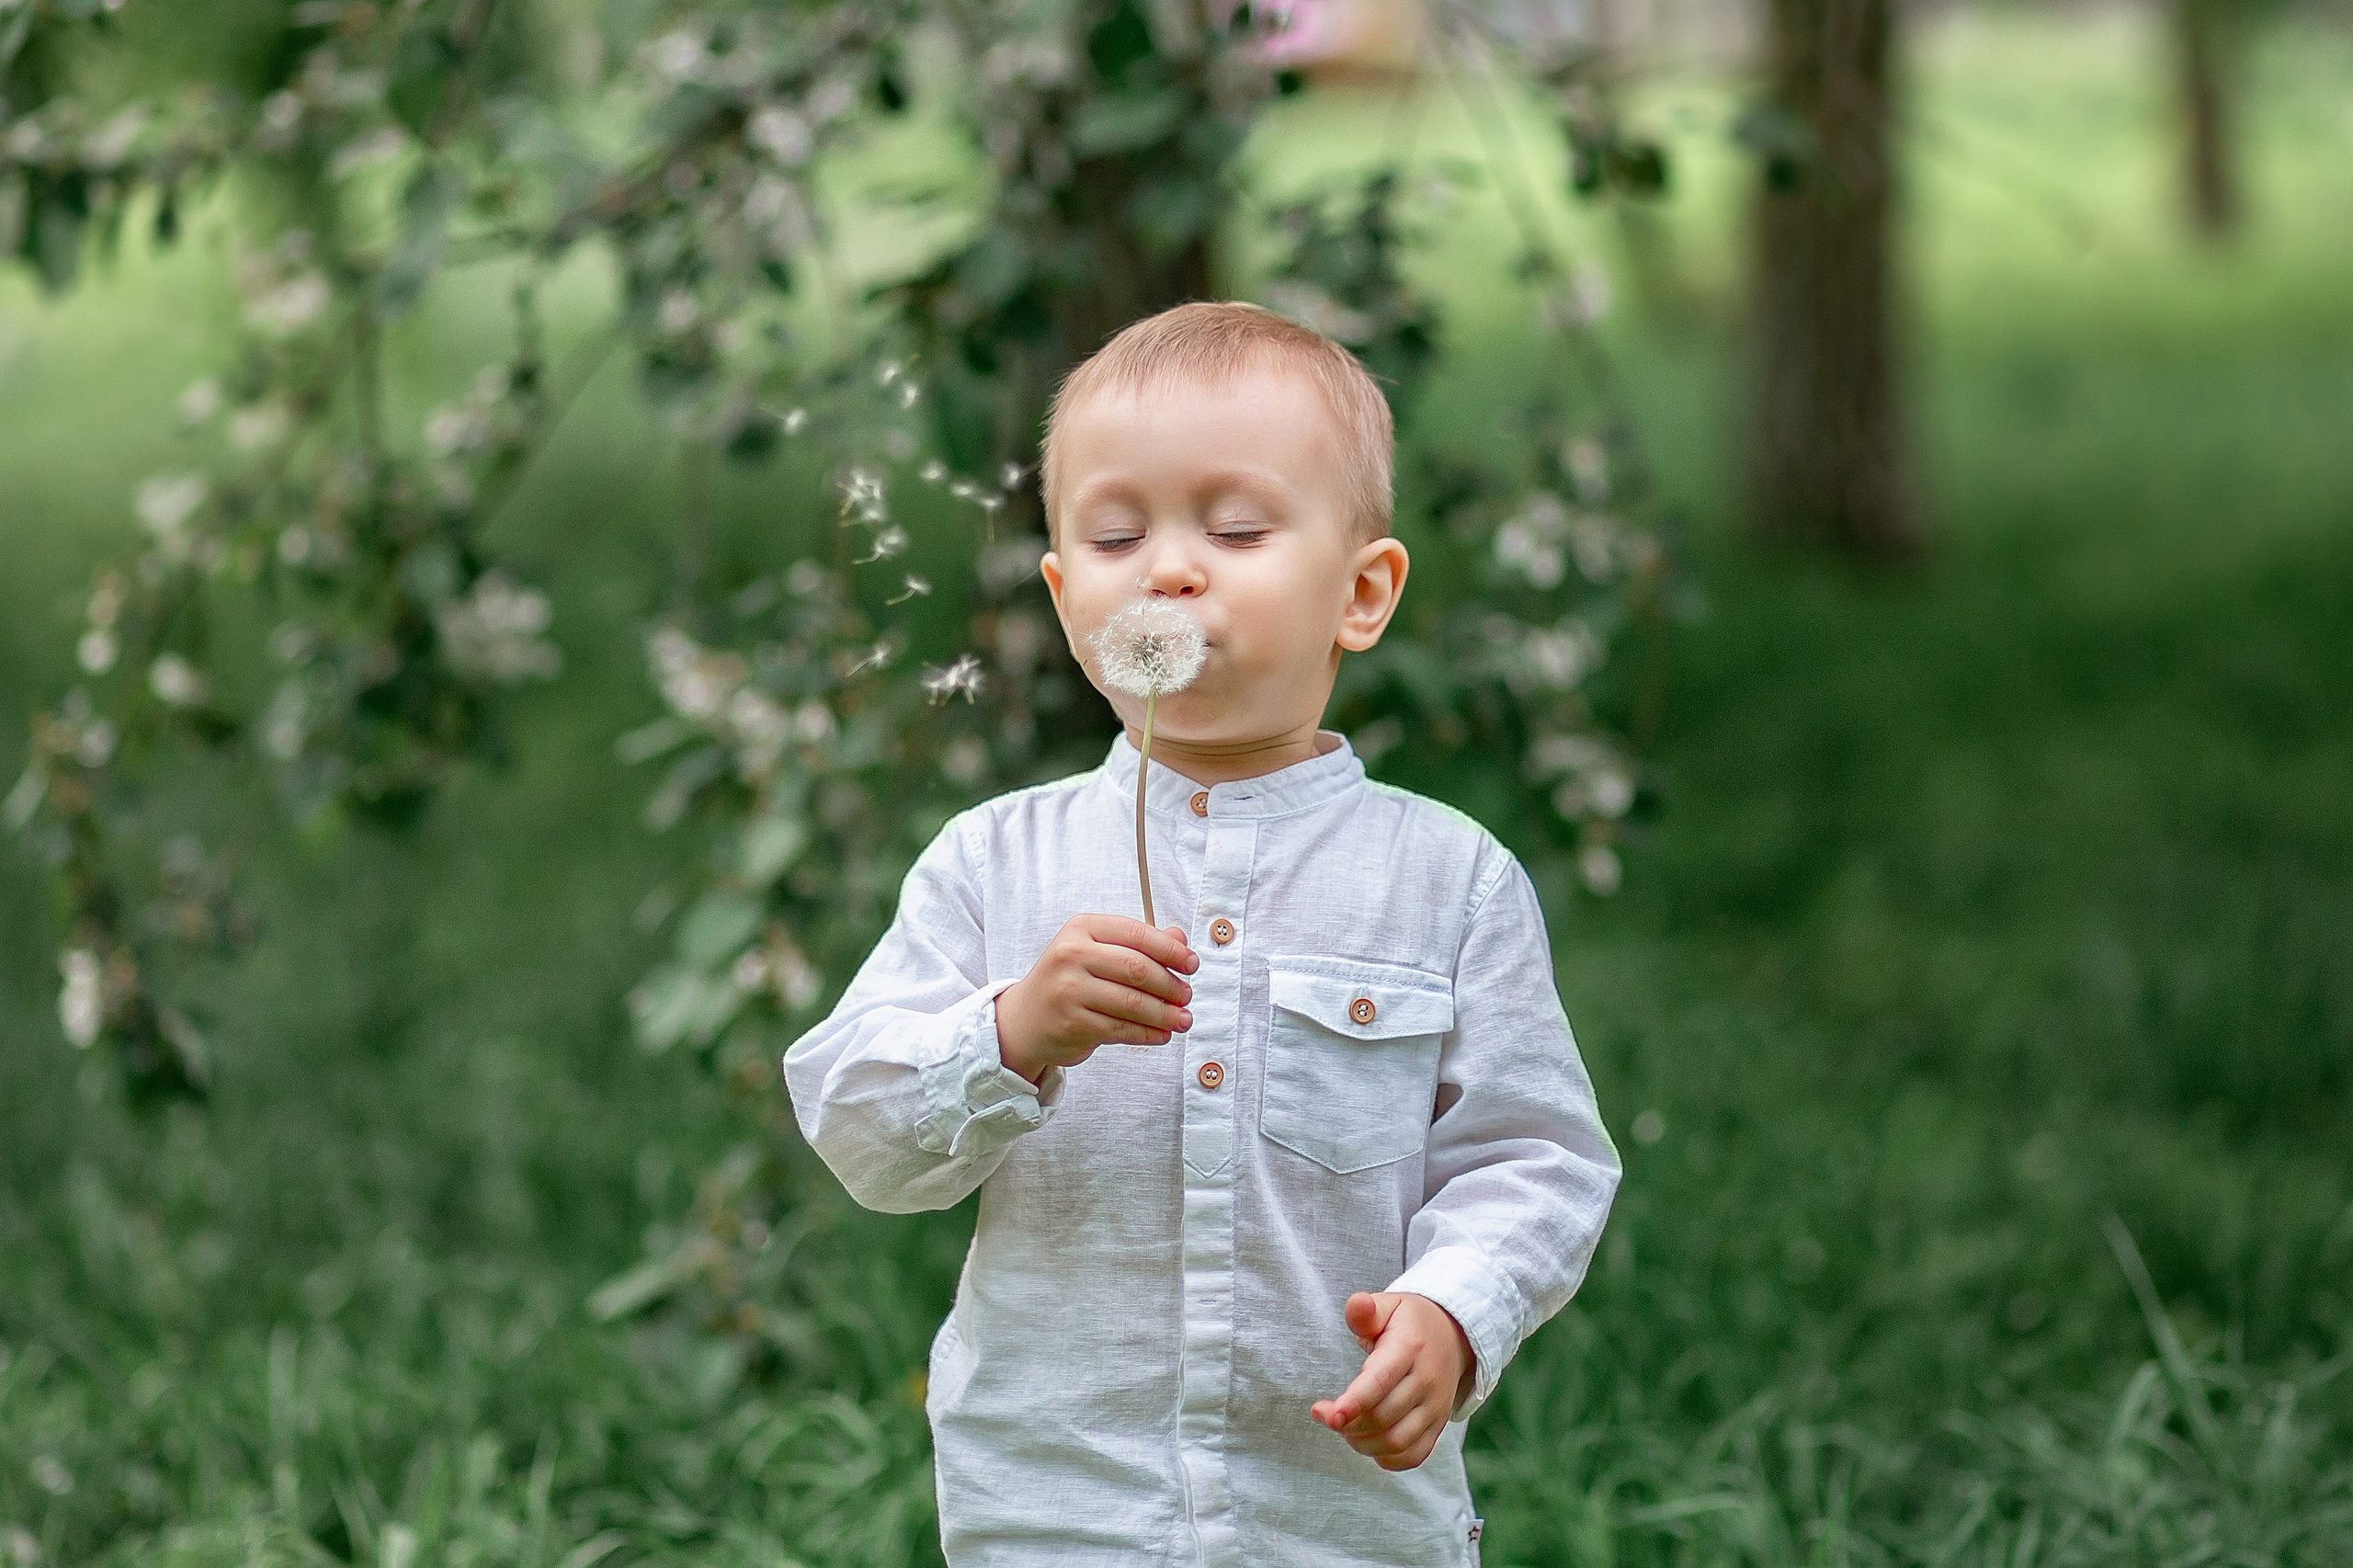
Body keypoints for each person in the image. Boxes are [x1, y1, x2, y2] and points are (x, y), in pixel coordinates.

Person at [781, 301, 1621, 1565]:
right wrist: (1011, 1033)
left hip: (1335, 1511)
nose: (1169, 567)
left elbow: (1537, 1155)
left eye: (1235, 528)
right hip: (1054, 1498)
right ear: (1068, 602)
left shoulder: (1448, 880)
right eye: (1116, 535)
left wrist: (1454, 1311)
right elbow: (856, 1126)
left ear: (1363, 592)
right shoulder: (993, 864)